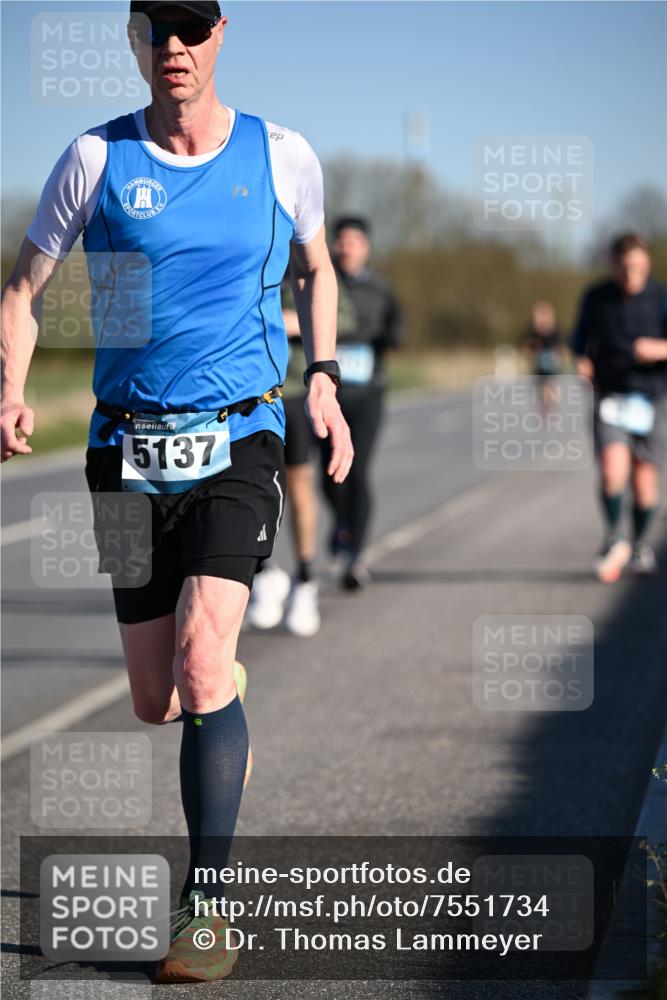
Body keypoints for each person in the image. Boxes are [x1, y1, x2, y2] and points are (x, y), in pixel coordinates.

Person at [0, 0, 352, 983]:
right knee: (158, 699)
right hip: (123, 450)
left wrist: (323, 375)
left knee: (201, 661)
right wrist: (11, 388)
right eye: (157, 30)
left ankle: (207, 909)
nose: (175, 48)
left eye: (192, 28)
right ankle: (219, 693)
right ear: (136, 41)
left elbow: (317, 270)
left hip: (240, 432)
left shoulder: (280, 155)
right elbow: (23, 290)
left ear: (221, 33)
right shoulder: (95, 159)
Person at [572, 232, 667, 583]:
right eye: (625, 268)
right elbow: (580, 340)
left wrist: (660, 348)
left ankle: (640, 546)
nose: (631, 275)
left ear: (648, 264)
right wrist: (582, 361)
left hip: (653, 397)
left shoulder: (661, 296)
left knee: (644, 480)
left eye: (637, 268)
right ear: (614, 265)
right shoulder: (597, 297)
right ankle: (613, 539)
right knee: (613, 471)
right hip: (610, 397)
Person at [319, 216, 404, 590]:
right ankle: (342, 524)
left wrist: (375, 336)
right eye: (341, 241)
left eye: (353, 242)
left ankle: (355, 553)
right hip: (329, 396)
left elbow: (398, 331)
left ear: (366, 248)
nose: (346, 248)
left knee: (359, 470)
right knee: (329, 476)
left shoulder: (381, 289)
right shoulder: (323, 282)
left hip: (367, 394)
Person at [521, 300, 567, 411]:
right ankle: (546, 407)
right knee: (542, 388)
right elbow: (527, 348)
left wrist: (560, 357)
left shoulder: (554, 331)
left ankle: (551, 406)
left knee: (550, 385)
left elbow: (561, 348)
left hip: (551, 363)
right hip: (539, 364)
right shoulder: (533, 333)